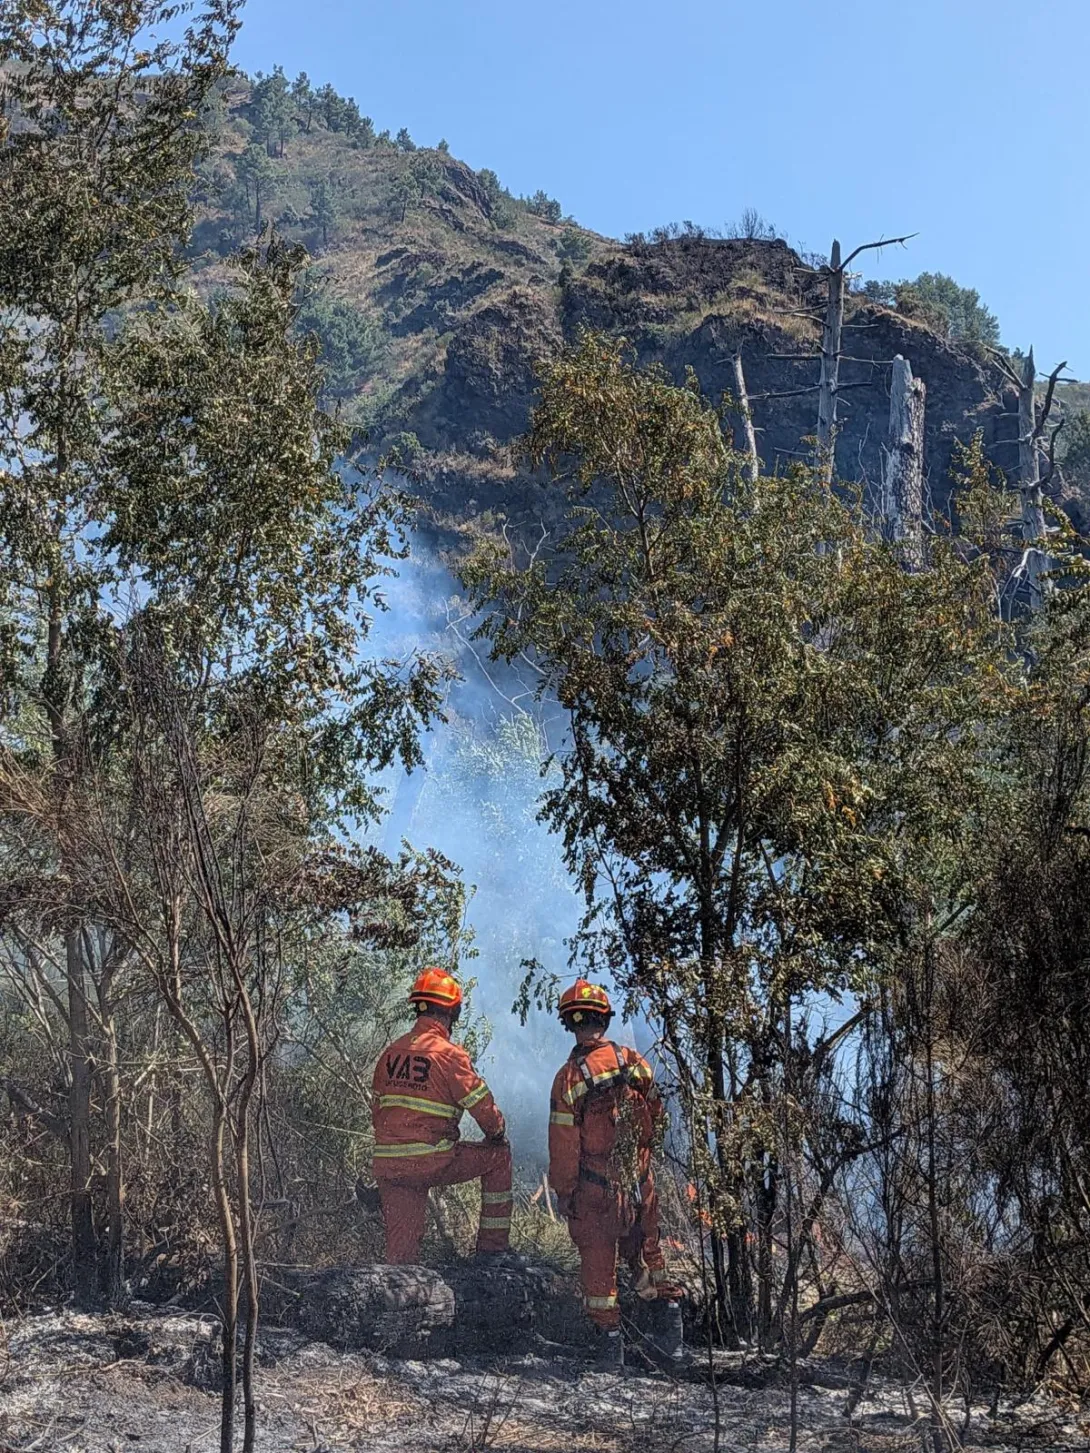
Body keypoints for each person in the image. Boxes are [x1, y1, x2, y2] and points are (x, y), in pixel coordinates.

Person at [548, 978, 683, 1367]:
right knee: (651, 1256)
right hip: (641, 1184)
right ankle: (671, 1348)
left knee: (598, 1269)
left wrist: (564, 1191)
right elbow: (657, 1116)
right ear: (604, 1020)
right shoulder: (634, 1061)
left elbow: (563, 1146)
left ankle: (610, 1358)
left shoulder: (570, 1077)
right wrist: (643, 1160)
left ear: (570, 1024)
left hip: (596, 1191)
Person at [371, 968, 512, 1264]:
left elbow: (378, 1113)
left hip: (390, 1164)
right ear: (453, 1012)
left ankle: (397, 1303)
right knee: (500, 1156)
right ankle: (492, 1252)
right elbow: (484, 1111)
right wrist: (497, 1132)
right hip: (430, 1160)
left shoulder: (390, 1053)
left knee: (400, 1260)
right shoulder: (449, 1055)